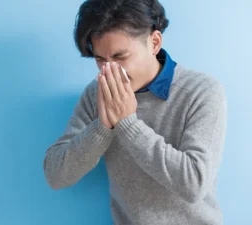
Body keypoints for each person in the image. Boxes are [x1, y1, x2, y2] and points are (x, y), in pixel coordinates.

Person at [42, 0, 227, 224]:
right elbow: (56, 175)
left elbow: (193, 183)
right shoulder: (97, 93)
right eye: (100, 59)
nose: (110, 70)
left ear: (154, 42)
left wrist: (128, 124)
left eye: (120, 57)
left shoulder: (201, 91)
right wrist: (102, 127)